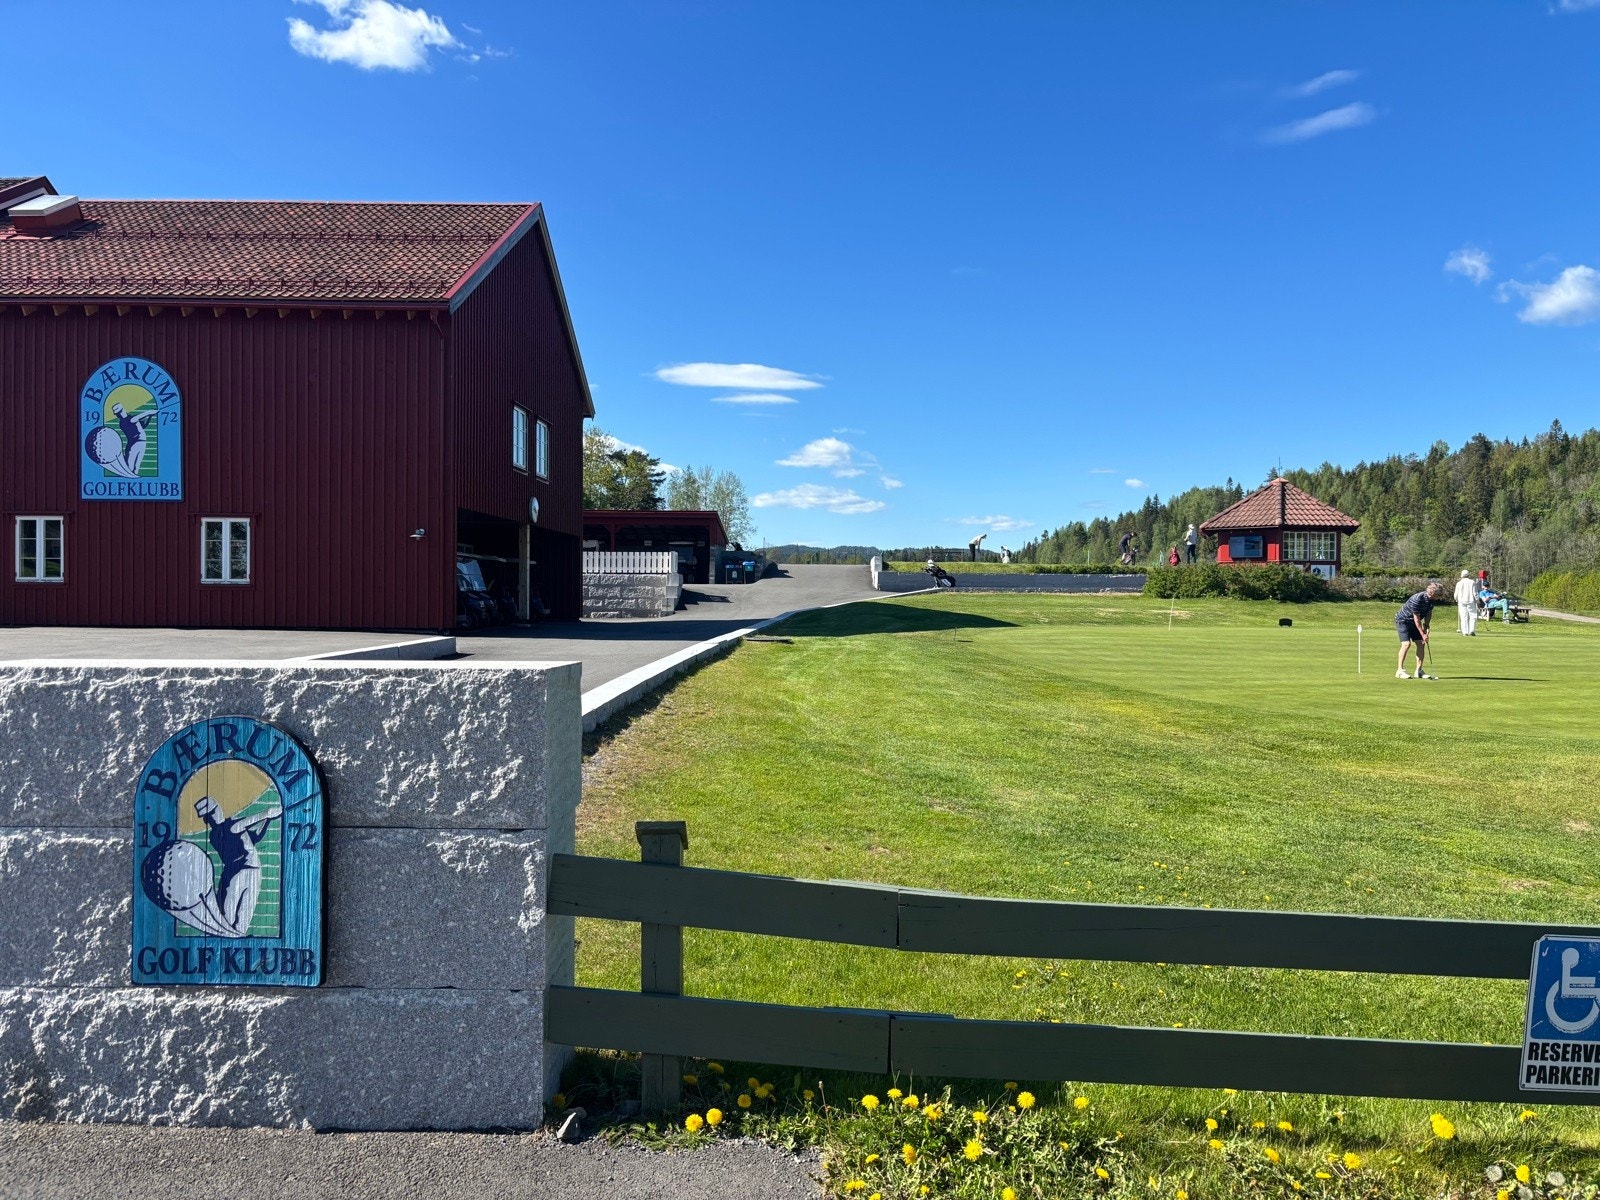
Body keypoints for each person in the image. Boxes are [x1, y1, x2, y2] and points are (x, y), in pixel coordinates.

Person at [1395, 582, 1445, 679]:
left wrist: (1426, 626)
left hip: (1414, 622)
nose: (1440, 597)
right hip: (1403, 620)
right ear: (1432, 593)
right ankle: (1400, 670)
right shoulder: (1417, 598)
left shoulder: (1431, 600)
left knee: (1421, 643)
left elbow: (1429, 612)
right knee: (1406, 644)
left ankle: (1419, 671)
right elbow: (1416, 618)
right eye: (1438, 595)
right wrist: (1422, 633)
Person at [1453, 570, 1479, 636]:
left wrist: (1456, 599)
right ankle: (1472, 630)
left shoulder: (1459, 583)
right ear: (1468, 575)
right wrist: (1477, 600)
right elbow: (1475, 593)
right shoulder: (1472, 582)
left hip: (1461, 601)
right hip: (1471, 601)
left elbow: (1456, 594)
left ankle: (1465, 632)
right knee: (1473, 616)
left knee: (1463, 617)